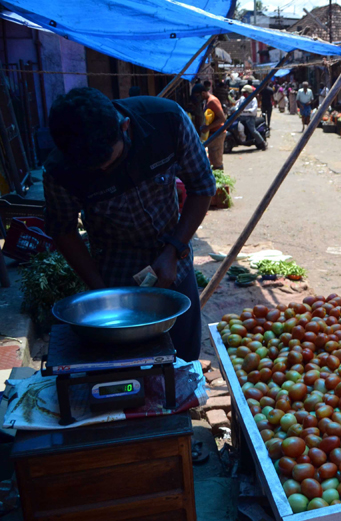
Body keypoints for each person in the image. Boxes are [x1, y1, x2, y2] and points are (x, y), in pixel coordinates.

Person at [43, 88, 217, 362]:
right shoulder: (60, 170)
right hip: (115, 271)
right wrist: (101, 293)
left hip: (175, 256)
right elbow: (63, 229)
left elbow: (203, 186)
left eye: (108, 162)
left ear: (124, 127)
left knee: (183, 356)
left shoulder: (167, 120)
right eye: (94, 170)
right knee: (127, 361)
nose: (103, 172)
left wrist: (173, 250)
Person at [196, 83, 227, 169]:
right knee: (212, 160)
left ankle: (221, 180)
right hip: (212, 134)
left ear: (203, 93)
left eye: (198, 95)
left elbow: (222, 119)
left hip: (217, 133)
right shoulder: (207, 101)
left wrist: (207, 128)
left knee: (217, 161)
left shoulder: (212, 101)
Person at [236, 85, 266, 150]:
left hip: (250, 118)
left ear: (249, 92)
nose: (244, 94)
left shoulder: (253, 99)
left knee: (253, 130)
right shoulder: (242, 98)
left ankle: (263, 143)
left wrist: (247, 111)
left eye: (245, 92)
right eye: (243, 92)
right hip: (241, 117)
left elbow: (254, 109)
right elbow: (237, 105)